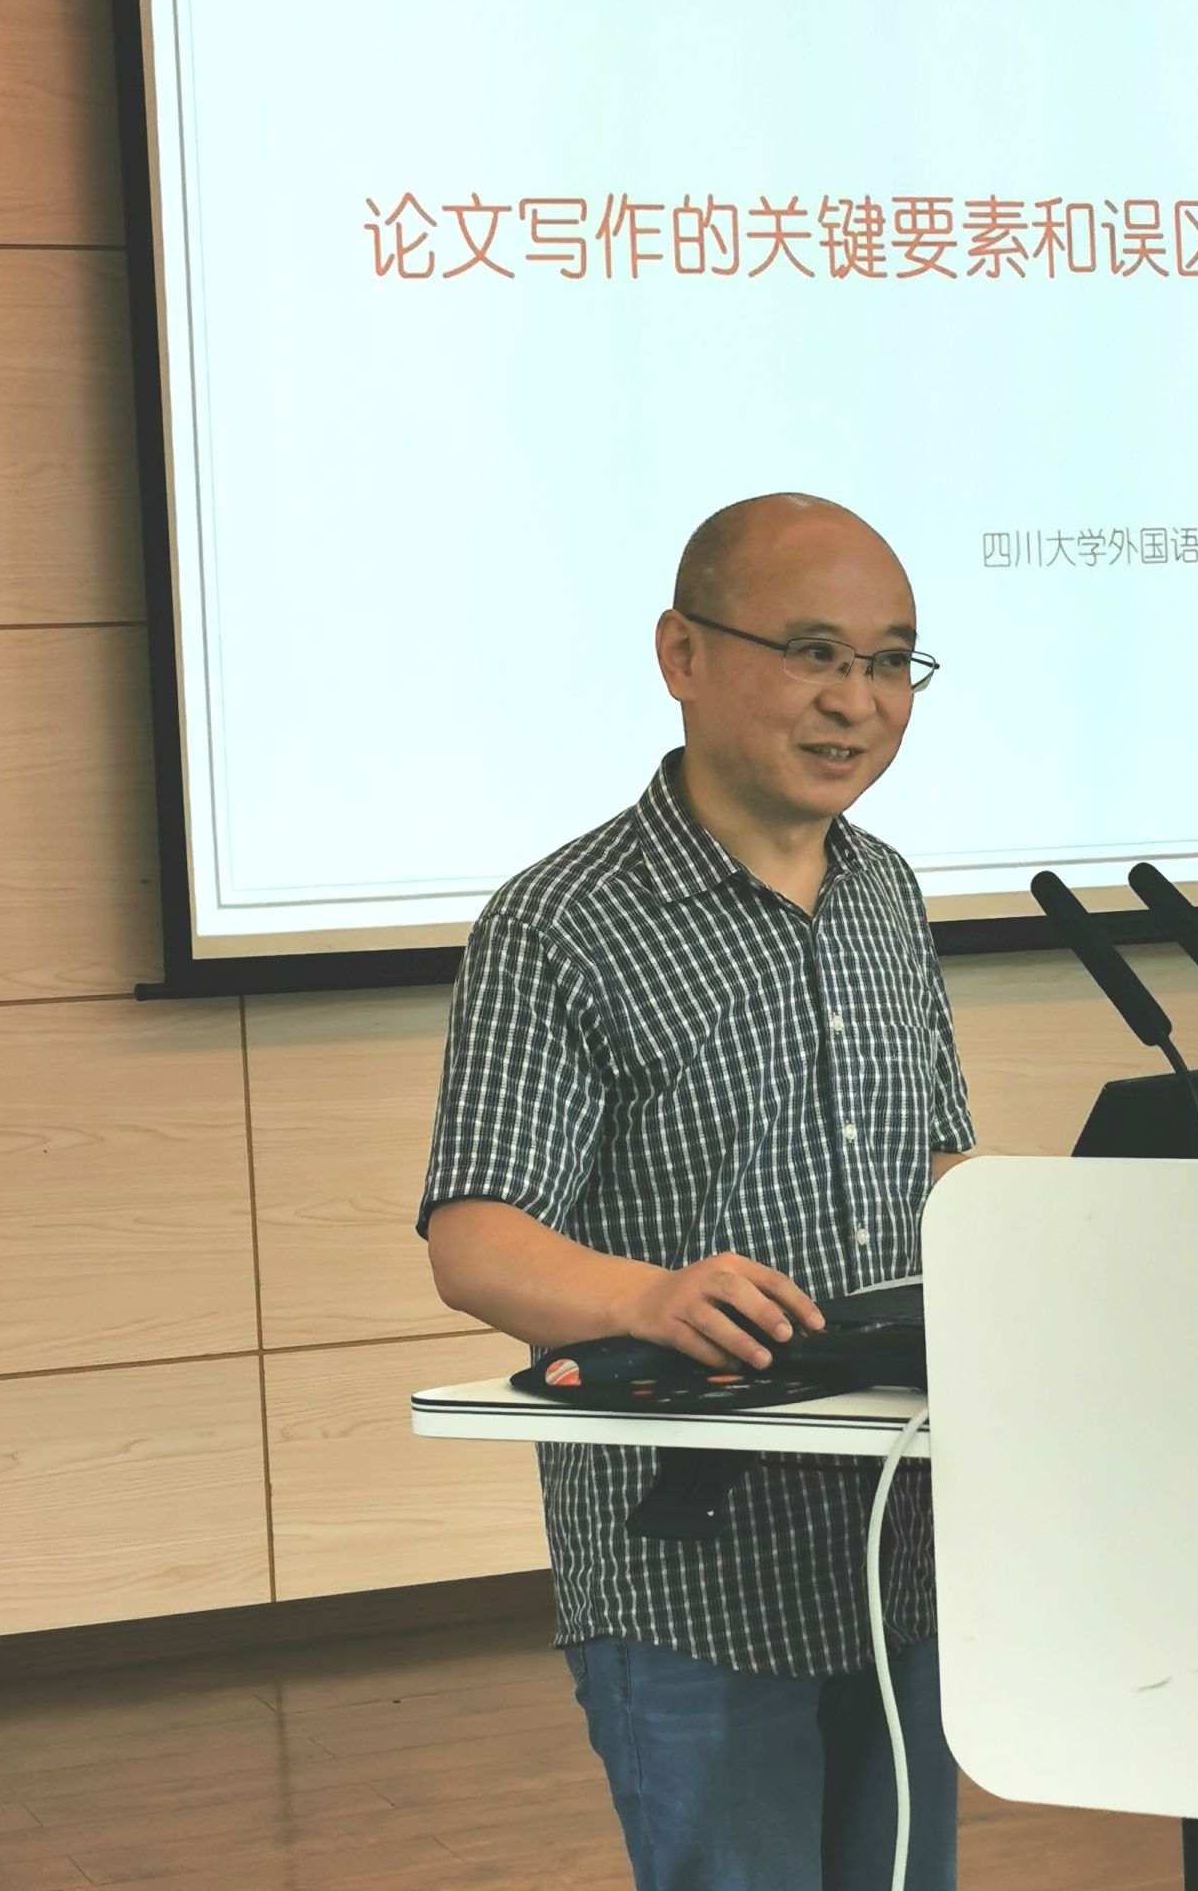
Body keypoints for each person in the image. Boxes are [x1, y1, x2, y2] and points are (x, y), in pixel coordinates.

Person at [417, 491, 976, 1891]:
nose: (857, 701)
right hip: (695, 1572)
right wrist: (650, 1299)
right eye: (814, 653)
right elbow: (473, 1240)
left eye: (889, 662)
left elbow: (935, 1166)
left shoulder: (885, 895)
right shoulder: (562, 923)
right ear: (682, 653)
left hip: (906, 1546)